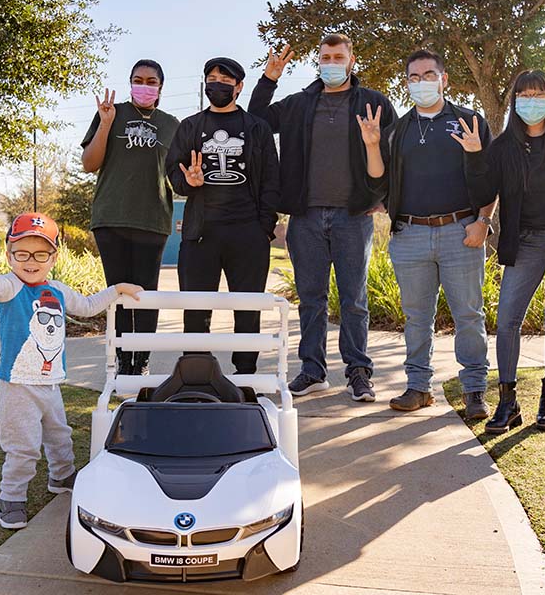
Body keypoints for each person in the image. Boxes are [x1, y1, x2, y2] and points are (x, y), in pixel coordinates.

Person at [0, 212, 142, 529]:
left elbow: (86, 306)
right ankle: (11, 498)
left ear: (54, 256)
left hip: (51, 383)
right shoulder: (12, 286)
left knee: (60, 436)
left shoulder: (58, 289)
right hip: (18, 387)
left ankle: (61, 477)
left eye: (40, 253)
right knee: (23, 448)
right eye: (22, 253)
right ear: (9, 255)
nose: (31, 261)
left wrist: (116, 290)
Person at [249, 34, 396, 402]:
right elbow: (256, 121)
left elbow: (394, 155)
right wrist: (269, 79)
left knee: (354, 299)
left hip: (353, 217)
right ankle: (312, 371)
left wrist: (383, 199)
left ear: (351, 59)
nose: (331, 62)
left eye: (338, 56)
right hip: (306, 217)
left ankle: (358, 372)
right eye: (325, 57)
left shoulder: (374, 103)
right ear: (318, 62)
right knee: (311, 299)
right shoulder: (298, 104)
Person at [456, 69, 545, 432]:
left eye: (539, 95)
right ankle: (508, 402)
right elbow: (484, 194)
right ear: (514, 101)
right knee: (507, 321)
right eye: (524, 95)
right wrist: (474, 156)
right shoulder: (503, 147)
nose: (531, 102)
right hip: (527, 243)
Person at [360, 49, 496, 417]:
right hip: (411, 235)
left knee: (469, 315)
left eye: (428, 74)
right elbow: (378, 181)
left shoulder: (469, 122)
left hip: (460, 232)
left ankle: (474, 391)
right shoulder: (397, 131)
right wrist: (373, 145)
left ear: (444, 78)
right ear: (407, 84)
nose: (422, 82)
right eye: (414, 77)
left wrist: (482, 222)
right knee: (416, 317)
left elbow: (490, 180)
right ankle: (418, 387)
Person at [165, 57, 279, 374]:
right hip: (201, 234)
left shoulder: (257, 128)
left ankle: (246, 377)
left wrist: (264, 229)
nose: (217, 84)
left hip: (247, 234)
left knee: (248, 310)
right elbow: (173, 168)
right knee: (197, 309)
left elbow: (271, 179)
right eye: (212, 78)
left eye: (225, 80)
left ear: (239, 87)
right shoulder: (190, 127)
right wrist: (187, 181)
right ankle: (197, 375)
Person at [81, 59, 180, 375]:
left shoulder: (171, 125)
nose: (144, 85)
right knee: (119, 293)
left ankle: (142, 362)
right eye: (138, 79)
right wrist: (107, 124)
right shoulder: (111, 113)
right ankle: (124, 362)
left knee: (146, 295)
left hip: (152, 220)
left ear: (160, 87)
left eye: (151, 81)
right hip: (112, 218)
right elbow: (89, 163)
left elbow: (178, 175)